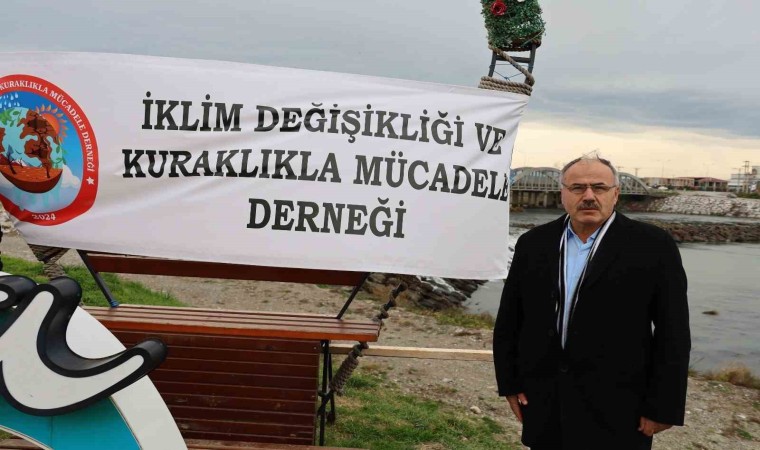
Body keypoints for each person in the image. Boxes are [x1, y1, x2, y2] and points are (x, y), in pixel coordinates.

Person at [493, 155, 690, 450]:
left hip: (619, 407)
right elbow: (510, 318)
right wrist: (509, 383)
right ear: (562, 194)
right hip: (546, 400)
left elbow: (673, 332)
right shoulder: (534, 243)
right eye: (577, 188)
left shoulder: (653, 246)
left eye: (599, 187)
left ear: (616, 193)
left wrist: (663, 406)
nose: (588, 196)